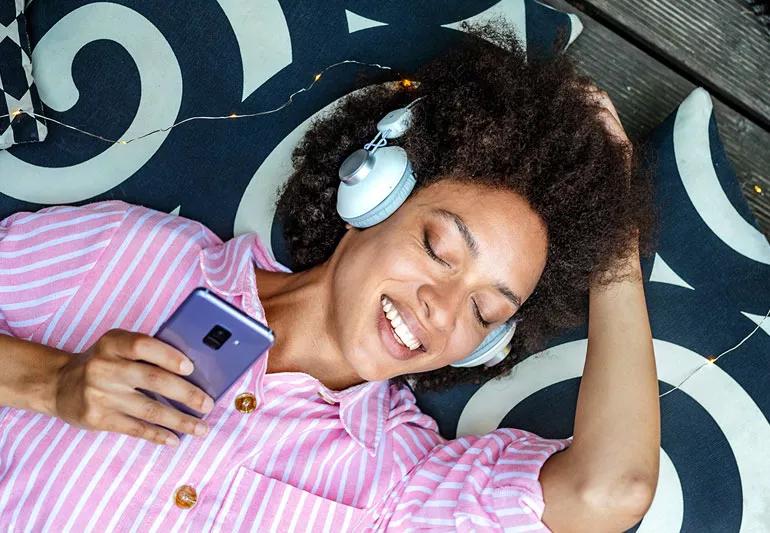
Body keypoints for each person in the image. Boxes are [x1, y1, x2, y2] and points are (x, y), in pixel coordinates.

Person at [0, 20, 659, 532]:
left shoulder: (405, 479)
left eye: (485, 312)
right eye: (438, 248)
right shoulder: (133, 257)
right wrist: (49, 381)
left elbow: (612, 489)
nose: (443, 309)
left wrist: (616, 253)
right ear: (373, 194)